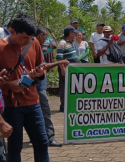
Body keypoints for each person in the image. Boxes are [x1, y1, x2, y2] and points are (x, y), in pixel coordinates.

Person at [0, 14, 50, 161]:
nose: (28, 42)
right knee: (15, 147)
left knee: (42, 142)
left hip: (33, 102)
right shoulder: (1, 47)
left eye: (30, 38)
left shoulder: (33, 43)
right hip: (11, 105)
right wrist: (9, 85)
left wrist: (40, 73)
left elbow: (41, 66)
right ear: (12, 32)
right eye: (24, 38)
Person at [35, 26, 69, 147]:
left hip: (38, 85)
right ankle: (49, 137)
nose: (46, 39)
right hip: (38, 86)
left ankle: (38, 136)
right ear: (40, 35)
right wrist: (59, 62)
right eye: (45, 37)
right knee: (45, 111)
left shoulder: (36, 47)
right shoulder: (34, 48)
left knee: (37, 112)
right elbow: (42, 66)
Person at [56, 26, 80, 112]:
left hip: (72, 70)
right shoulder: (62, 43)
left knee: (71, 87)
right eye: (74, 33)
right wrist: (63, 69)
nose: (75, 34)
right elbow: (59, 58)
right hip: (65, 69)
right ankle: (63, 106)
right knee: (64, 88)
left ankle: (69, 104)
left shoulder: (71, 42)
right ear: (70, 33)